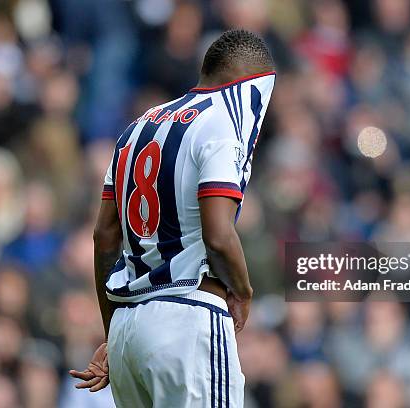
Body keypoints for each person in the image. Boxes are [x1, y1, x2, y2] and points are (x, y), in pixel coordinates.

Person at [69, 29, 275, 407]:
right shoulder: (221, 125)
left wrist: (112, 328)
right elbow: (218, 235)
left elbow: (103, 237)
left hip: (128, 327)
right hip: (189, 318)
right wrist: (243, 292)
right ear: (252, 83)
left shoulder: (137, 127)